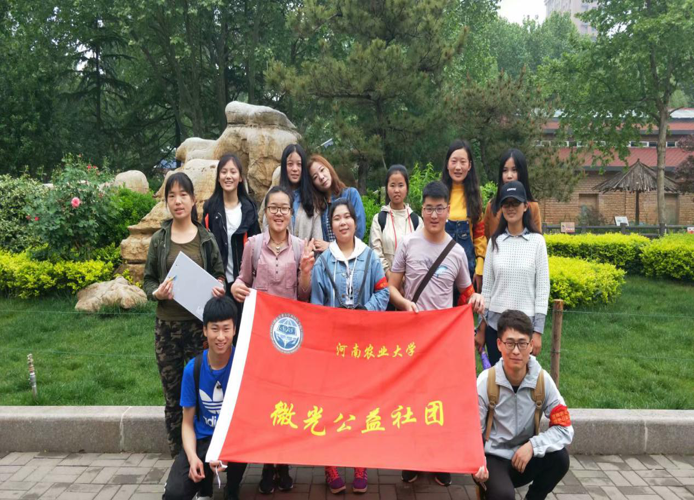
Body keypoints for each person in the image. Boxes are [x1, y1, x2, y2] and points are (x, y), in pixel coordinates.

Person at [388, 180, 484, 487]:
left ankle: (442, 460)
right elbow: (391, 287)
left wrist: (475, 299)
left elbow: (466, 291)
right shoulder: (408, 244)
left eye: (439, 209)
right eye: (428, 208)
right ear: (422, 208)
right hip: (412, 339)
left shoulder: (456, 252)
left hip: (442, 342)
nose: (433, 215)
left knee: (440, 400)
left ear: (447, 210)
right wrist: (404, 303)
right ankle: (412, 458)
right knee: (412, 399)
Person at [231, 185, 315, 494]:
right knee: (267, 402)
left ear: (291, 214)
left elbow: (304, 295)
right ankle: (268, 464)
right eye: (273, 208)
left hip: (291, 339)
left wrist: (305, 272)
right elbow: (243, 279)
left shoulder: (300, 246)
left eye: (284, 208)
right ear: (265, 212)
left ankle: (284, 463)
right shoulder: (253, 245)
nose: (279, 213)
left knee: (288, 401)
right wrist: (235, 287)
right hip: (262, 339)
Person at [143, 172, 226, 458]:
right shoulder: (159, 240)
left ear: (193, 200)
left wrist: (219, 286)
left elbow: (219, 273)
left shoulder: (206, 238)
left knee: (200, 391)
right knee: (173, 394)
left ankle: (201, 452)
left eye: (183, 195)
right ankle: (179, 456)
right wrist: (157, 293)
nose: (178, 201)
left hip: (197, 327)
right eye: (172, 196)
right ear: (167, 202)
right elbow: (148, 281)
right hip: (166, 328)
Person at [311, 199, 389, 494]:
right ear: (330, 226)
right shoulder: (322, 262)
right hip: (332, 346)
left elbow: (383, 293)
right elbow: (316, 304)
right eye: (337, 218)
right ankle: (330, 465)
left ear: (356, 222)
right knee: (331, 404)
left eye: (347, 217)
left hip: (362, 345)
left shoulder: (370, 257)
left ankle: (360, 462)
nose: (342, 222)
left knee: (361, 403)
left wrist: (364, 313)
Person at [473, 310, 573, 500]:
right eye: (510, 343)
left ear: (531, 345)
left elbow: (565, 428)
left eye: (522, 343)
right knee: (503, 496)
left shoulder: (542, 380)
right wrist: (477, 463)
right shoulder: (486, 381)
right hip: (492, 460)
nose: (516, 351)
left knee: (560, 459)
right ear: (499, 344)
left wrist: (533, 446)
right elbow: (473, 432)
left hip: (524, 457)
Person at [162, 296, 248, 500]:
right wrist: (193, 458)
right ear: (204, 330)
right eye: (214, 329)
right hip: (203, 439)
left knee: (241, 446)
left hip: (233, 438)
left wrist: (226, 451)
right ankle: (204, 485)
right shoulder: (193, 369)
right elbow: (187, 423)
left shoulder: (244, 365)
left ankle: (232, 487)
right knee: (174, 495)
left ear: (235, 330)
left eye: (226, 329)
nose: (220, 337)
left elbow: (249, 419)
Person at [478, 181, 550, 365]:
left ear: (525, 206)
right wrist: (481, 327)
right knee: (497, 378)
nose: (511, 208)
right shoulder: (495, 242)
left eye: (515, 203)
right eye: (506, 204)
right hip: (496, 327)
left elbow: (542, 290)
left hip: (525, 329)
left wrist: (538, 332)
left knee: (523, 379)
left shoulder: (537, 242)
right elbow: (487, 289)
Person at [203, 154, 261, 297]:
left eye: (233, 172)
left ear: (240, 178)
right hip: (217, 284)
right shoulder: (210, 208)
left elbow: (258, 247)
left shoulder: (249, 209)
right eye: (224, 172)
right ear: (218, 178)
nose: (228, 176)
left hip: (243, 284)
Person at [441, 140, 486, 293]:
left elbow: (479, 235)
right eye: (454, 161)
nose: (458, 167)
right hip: (441, 270)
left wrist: (480, 266)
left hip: (468, 272)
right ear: (447, 164)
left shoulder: (474, 198)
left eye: (463, 162)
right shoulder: (440, 195)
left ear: (469, 165)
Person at [369, 164, 422, 282]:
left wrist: (407, 281)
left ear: (407, 188)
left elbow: (421, 254)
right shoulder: (379, 219)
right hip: (385, 284)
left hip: (412, 284)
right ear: (387, 188)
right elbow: (376, 253)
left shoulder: (417, 221)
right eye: (392, 185)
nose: (396, 190)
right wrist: (392, 278)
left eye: (401, 185)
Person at [262, 144, 323, 241]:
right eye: (290, 164)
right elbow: (265, 231)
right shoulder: (273, 196)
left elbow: (317, 239)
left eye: (299, 164)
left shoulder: (312, 199)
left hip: (307, 250)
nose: (295, 169)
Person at [306, 155, 366, 250]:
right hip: (329, 259)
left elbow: (359, 232)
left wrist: (331, 246)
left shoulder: (351, 194)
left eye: (322, 170)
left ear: (329, 168)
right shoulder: (319, 206)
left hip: (352, 255)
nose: (321, 177)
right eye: (315, 177)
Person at [483, 149, 542, 239]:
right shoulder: (491, 206)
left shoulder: (533, 207)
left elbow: (537, 240)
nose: (509, 176)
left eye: (514, 170)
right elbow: (485, 239)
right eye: (505, 170)